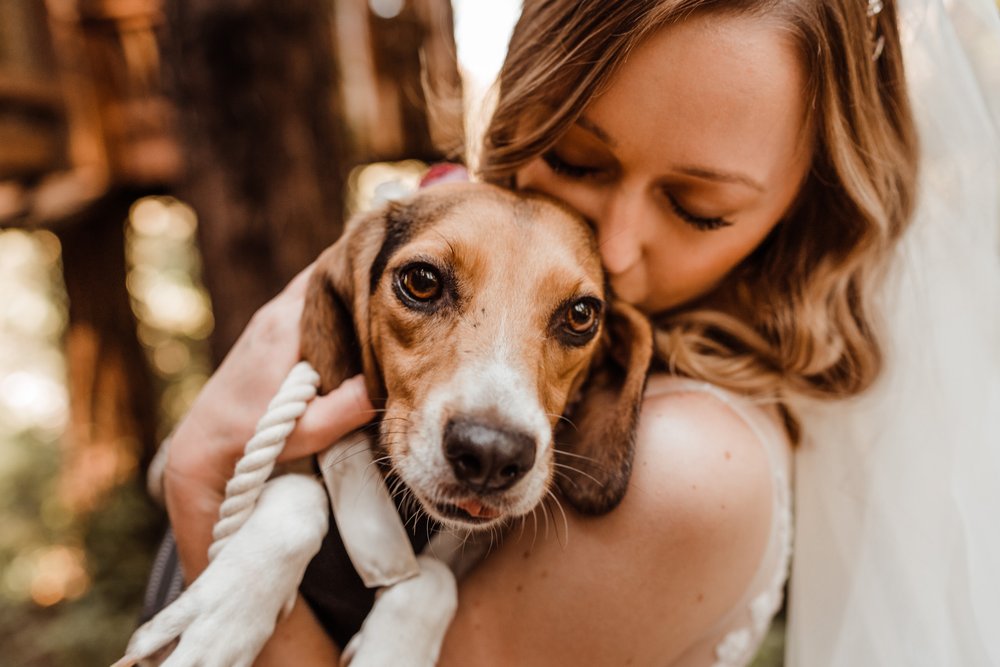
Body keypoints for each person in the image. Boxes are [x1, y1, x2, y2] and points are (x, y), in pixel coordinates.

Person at [151, 0, 1000, 664]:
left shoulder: (689, 462)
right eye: (581, 161)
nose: (619, 251)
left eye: (697, 208)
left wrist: (198, 484)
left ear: (801, 208)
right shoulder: (435, 252)